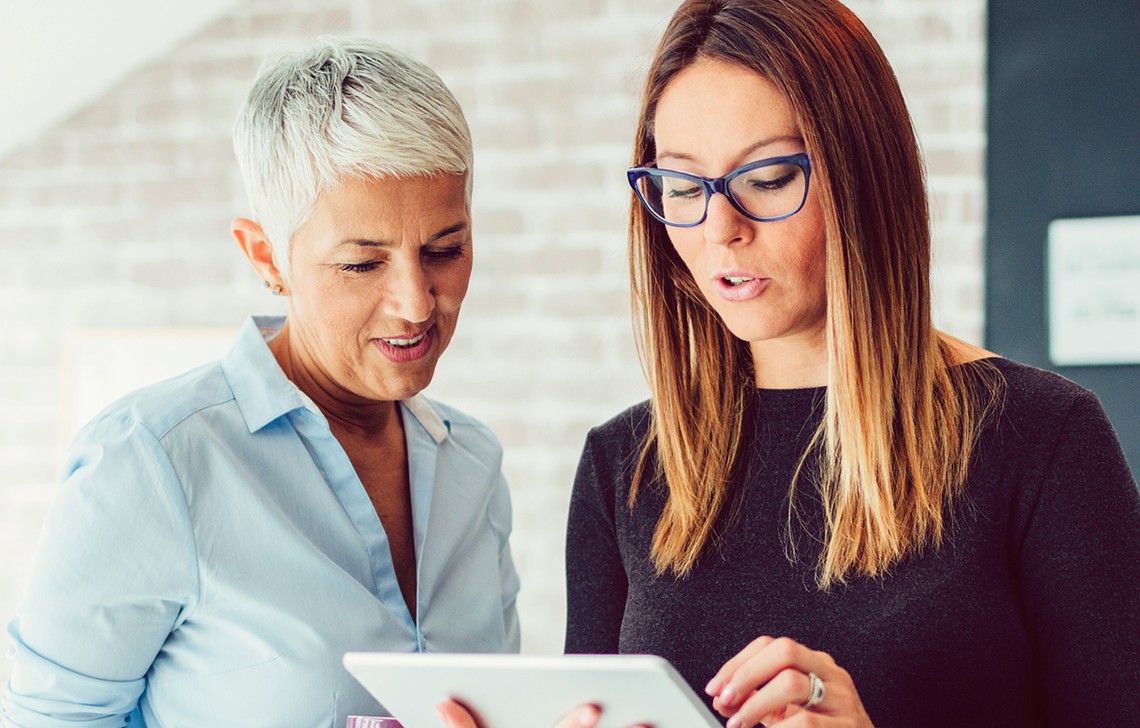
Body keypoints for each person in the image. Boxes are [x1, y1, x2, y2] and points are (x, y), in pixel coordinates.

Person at [441, 1, 1140, 727]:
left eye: (769, 179)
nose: (720, 230)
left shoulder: (1043, 440)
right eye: (682, 187)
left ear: (864, 174)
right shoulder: (625, 465)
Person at [3, 38, 519, 727]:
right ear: (266, 257)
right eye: (362, 265)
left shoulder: (473, 463)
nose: (417, 302)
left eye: (445, 249)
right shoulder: (151, 462)